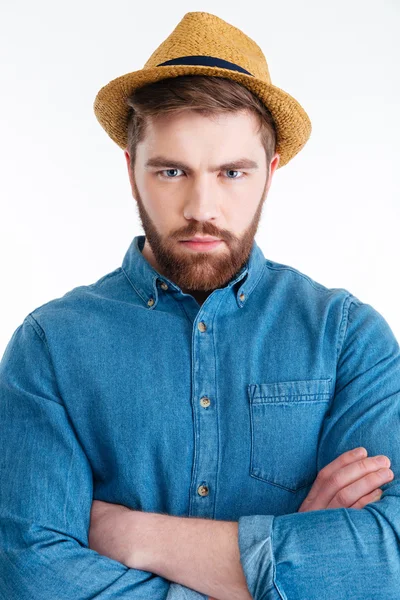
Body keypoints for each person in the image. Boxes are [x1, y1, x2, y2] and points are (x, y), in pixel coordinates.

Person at [0, 11, 399, 600]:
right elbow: (31, 574)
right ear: (131, 173)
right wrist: (292, 555)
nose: (202, 207)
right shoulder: (51, 345)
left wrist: (136, 536)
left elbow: (387, 559)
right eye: (171, 171)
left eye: (232, 172)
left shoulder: (346, 337)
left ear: (270, 174)